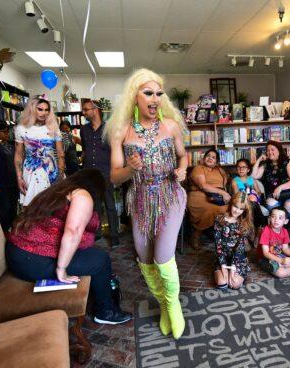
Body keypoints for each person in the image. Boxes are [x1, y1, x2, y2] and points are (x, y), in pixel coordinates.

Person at [107, 68, 188, 340]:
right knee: (145, 259)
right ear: (135, 96)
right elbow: (115, 177)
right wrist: (130, 169)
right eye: (148, 92)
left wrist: (183, 169)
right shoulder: (121, 131)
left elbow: (183, 156)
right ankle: (164, 305)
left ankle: (173, 304)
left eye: (158, 93)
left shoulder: (171, 126)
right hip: (140, 198)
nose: (155, 98)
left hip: (170, 194)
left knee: (163, 256)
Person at [6, 169, 132, 324]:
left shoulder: (58, 190)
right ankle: (105, 312)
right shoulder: (82, 195)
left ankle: (98, 300)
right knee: (101, 260)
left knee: (92, 255)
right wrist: (61, 269)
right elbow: (73, 232)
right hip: (32, 261)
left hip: (16, 255)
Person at [81, 99, 120, 246]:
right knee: (94, 206)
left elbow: (116, 153)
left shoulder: (110, 129)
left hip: (106, 174)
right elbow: (85, 150)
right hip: (89, 174)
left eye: (86, 109)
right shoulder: (84, 130)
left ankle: (114, 235)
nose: (83, 112)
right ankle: (97, 233)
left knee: (110, 205)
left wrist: (115, 172)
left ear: (95, 109)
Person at [251, 140, 290, 247]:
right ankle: (277, 233)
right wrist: (259, 160)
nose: (270, 152)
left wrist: (279, 187)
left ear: (279, 150)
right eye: (268, 150)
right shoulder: (266, 165)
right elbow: (253, 176)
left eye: (273, 149)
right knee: (270, 205)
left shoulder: (289, 162)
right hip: (276, 196)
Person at [14, 97, 65, 206]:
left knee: (52, 208)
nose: (44, 113)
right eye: (40, 109)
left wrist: (60, 175)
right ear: (32, 109)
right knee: (31, 209)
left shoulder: (53, 127)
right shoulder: (21, 129)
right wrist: (19, 177)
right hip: (31, 173)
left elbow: (61, 154)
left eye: (47, 110)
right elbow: (18, 155)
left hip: (51, 172)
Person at [188, 149, 229, 250]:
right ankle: (196, 234)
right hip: (199, 196)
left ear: (216, 162)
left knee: (231, 208)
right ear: (204, 158)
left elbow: (225, 181)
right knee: (215, 209)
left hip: (217, 196)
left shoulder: (219, 170)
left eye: (213, 157)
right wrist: (223, 193)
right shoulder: (199, 168)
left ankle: (224, 236)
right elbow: (203, 186)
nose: (210, 158)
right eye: (208, 156)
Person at [213, 192, 253, 290]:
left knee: (234, 284)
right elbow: (218, 244)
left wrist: (233, 267)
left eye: (241, 209)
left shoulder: (244, 223)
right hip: (223, 257)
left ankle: (241, 274)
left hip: (238, 258)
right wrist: (223, 266)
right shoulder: (220, 219)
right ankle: (217, 269)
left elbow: (240, 248)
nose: (237, 211)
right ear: (231, 204)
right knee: (222, 284)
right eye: (235, 206)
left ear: (245, 210)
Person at [258, 207, 290, 278]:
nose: (276, 220)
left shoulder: (284, 231)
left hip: (280, 256)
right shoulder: (266, 231)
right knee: (281, 273)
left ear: (286, 221)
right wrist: (281, 261)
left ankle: (286, 266)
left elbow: (285, 249)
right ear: (269, 218)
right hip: (265, 259)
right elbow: (266, 253)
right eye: (273, 217)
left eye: (280, 218)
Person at [231, 158, 267, 231]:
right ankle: (260, 225)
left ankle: (257, 227)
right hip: (242, 200)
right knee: (252, 202)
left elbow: (259, 192)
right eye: (239, 167)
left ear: (248, 170)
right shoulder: (235, 181)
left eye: (244, 167)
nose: (241, 169)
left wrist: (256, 194)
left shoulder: (251, 179)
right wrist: (246, 197)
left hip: (254, 198)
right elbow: (236, 195)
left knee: (253, 200)